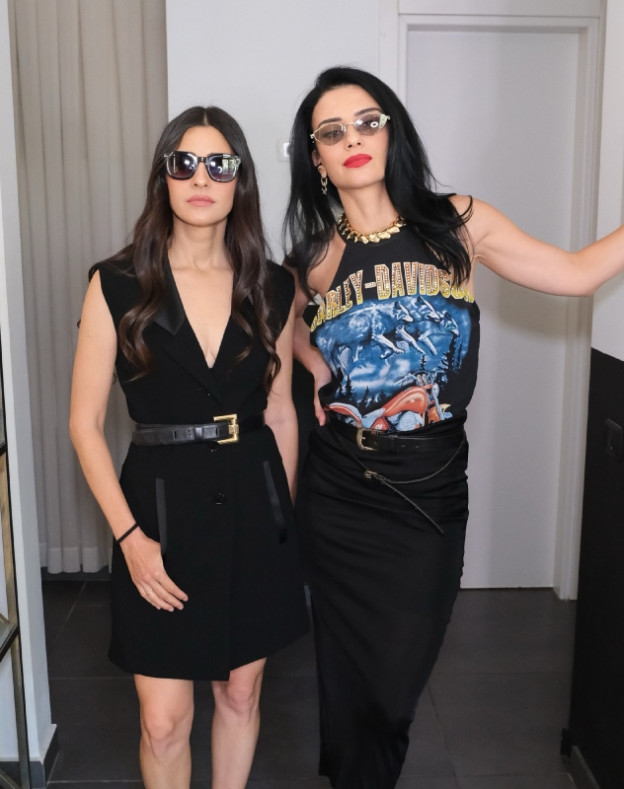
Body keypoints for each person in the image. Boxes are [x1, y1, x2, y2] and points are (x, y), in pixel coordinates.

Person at [283, 65, 624, 789]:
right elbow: (286, 332)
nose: (353, 139)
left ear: (392, 131)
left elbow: (576, 273)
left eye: (368, 121)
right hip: (338, 490)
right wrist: (311, 362)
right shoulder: (313, 256)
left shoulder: (456, 222)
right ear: (316, 158)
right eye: (332, 132)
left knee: (393, 684)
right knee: (345, 674)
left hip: (428, 487)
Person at [69, 105, 309, 789]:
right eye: (185, 163)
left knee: (240, 694)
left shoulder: (274, 286)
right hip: (158, 516)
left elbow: (280, 413)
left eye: (219, 164)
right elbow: (84, 423)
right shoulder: (116, 283)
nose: (201, 178)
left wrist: (282, 522)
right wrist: (130, 538)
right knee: (163, 722)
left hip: (255, 506)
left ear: (240, 180)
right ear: (164, 177)